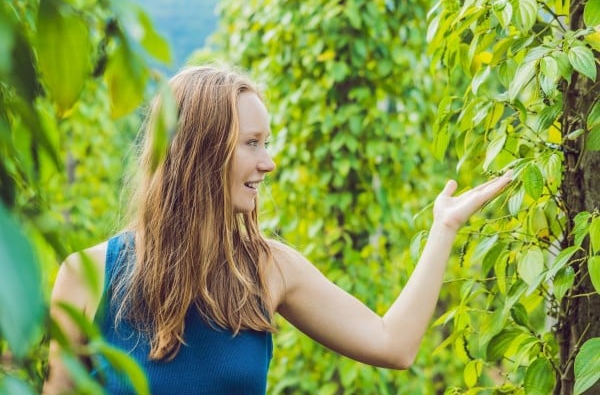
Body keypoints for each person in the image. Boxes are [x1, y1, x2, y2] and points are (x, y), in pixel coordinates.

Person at [43, 65, 512, 394]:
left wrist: (443, 227)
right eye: (251, 144)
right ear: (199, 152)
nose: (268, 162)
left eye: (266, 143)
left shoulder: (267, 269)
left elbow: (394, 344)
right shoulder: (88, 274)